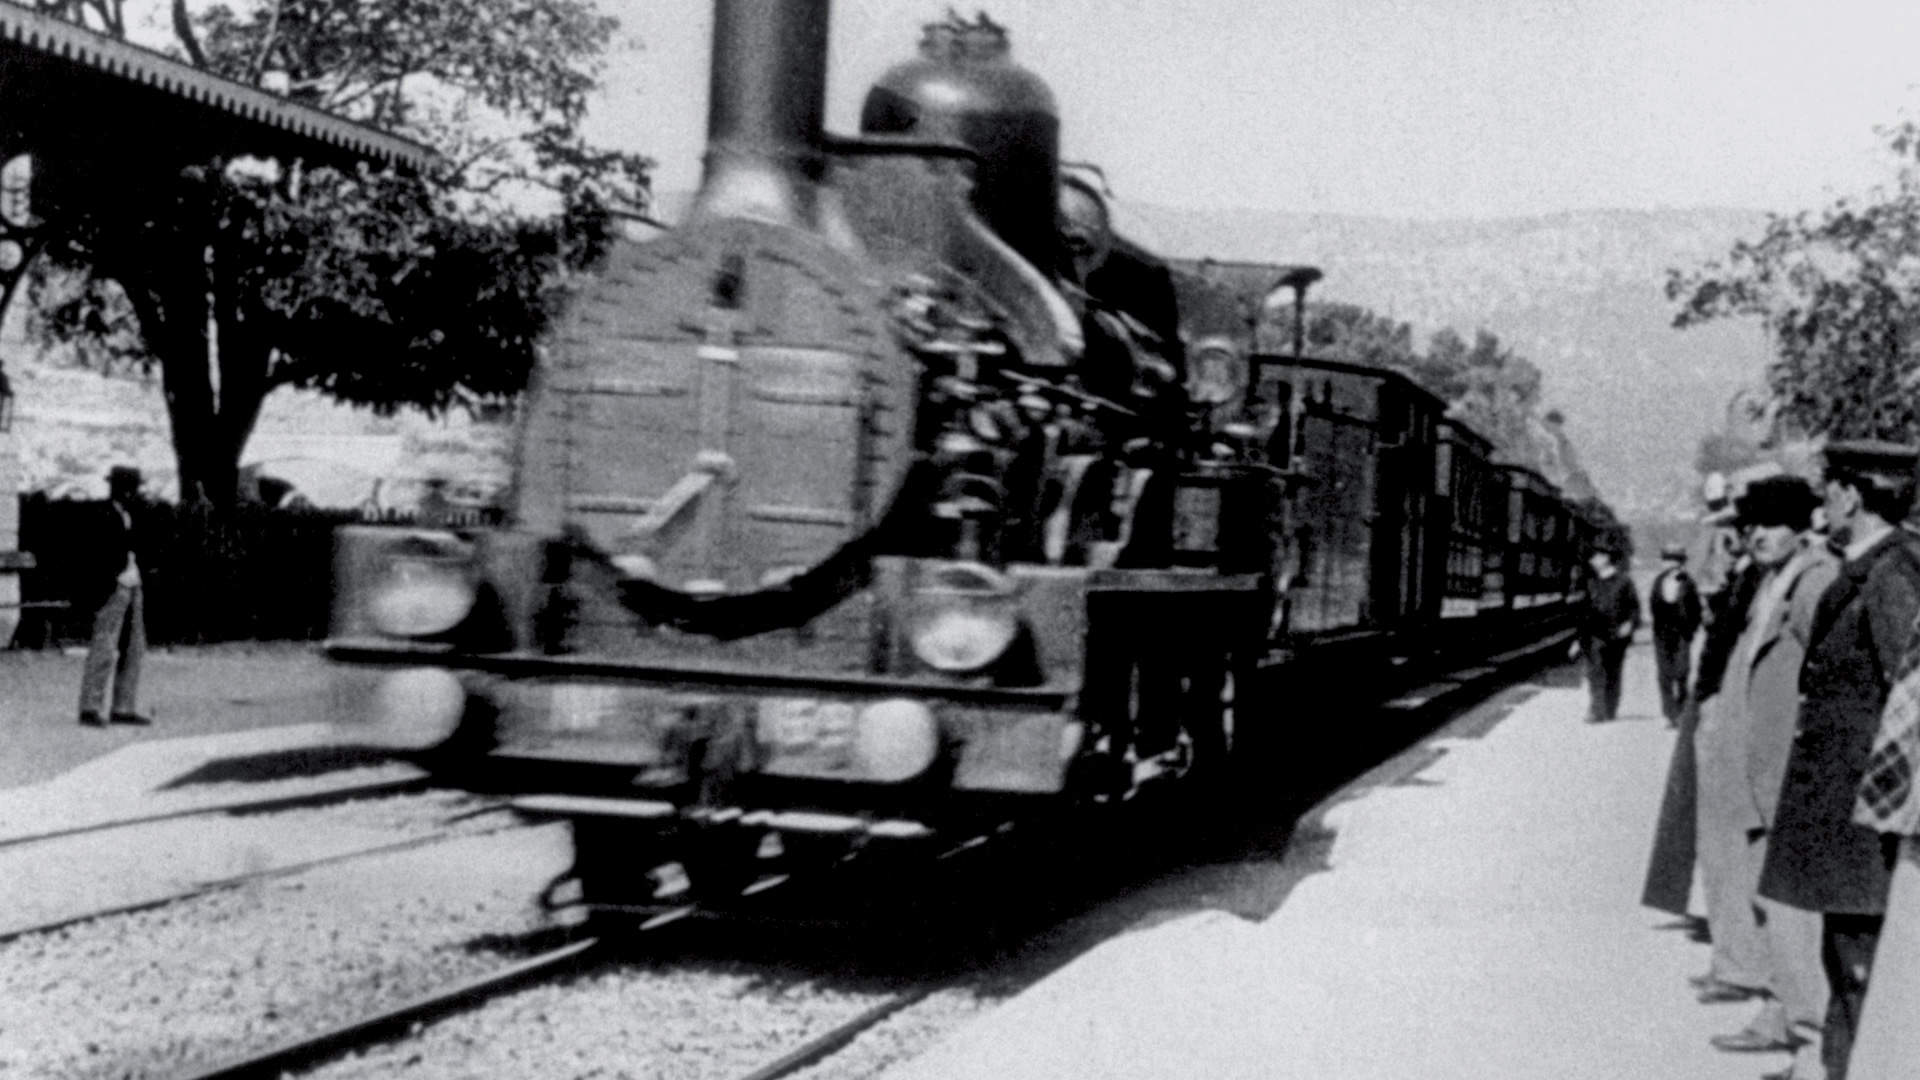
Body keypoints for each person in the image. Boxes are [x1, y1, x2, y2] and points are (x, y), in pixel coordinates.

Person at [1758, 441, 1920, 1080]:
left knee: (1859, 961)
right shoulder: (1872, 568)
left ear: (1853, 495)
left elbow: (1911, 700)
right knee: (1845, 953)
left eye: (1828, 490)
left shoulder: (1893, 575)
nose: (1822, 502)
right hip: (1846, 809)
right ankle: (1833, 1067)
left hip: (1866, 814)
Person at [1693, 477, 1837, 1075]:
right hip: (1756, 763)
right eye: (1751, 526)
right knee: (1768, 898)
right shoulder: (1773, 578)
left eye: (1770, 525)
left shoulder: (1815, 580)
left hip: (1785, 766)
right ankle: (1781, 1013)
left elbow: (1827, 674)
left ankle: (1807, 1032)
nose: (1757, 535)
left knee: (1792, 907)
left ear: (1802, 525)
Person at [77, 465, 153, 728]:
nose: (136, 494)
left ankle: (123, 706)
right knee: (105, 646)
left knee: (134, 647)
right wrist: (114, 577)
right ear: (124, 489)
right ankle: (90, 706)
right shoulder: (102, 514)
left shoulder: (129, 514)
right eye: (132, 489)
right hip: (115, 585)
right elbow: (96, 554)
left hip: (132, 584)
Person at [1578, 546, 1640, 722]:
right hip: (1595, 634)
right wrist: (1580, 637)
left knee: (1613, 672)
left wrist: (1630, 624)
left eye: (1594, 558)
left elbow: (1634, 608)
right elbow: (1584, 612)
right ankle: (1597, 710)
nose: (1591, 562)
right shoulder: (1591, 583)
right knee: (1595, 672)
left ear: (1605, 558)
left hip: (1617, 635)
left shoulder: (1624, 581)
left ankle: (1610, 708)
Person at [1650, 543, 1704, 725]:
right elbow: (1653, 604)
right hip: (1662, 632)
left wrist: (1692, 628)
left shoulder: (1688, 582)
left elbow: (1695, 608)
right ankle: (1670, 714)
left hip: (1682, 632)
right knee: (1664, 674)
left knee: (1682, 672)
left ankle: (1681, 710)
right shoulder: (1658, 581)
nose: (1669, 564)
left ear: (1681, 563)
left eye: (1673, 560)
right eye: (1667, 559)